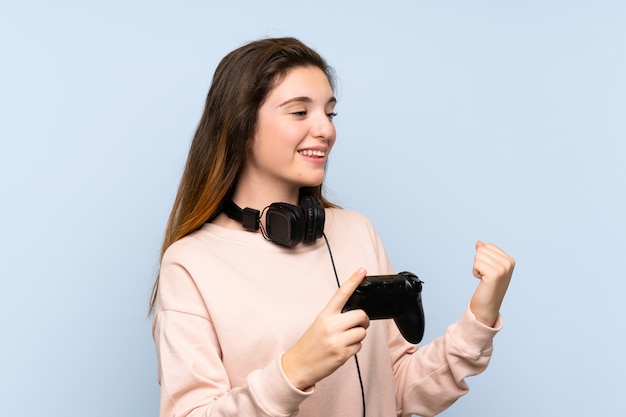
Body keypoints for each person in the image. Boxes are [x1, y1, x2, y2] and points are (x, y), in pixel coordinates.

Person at [149, 37, 515, 417]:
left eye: (330, 113)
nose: (325, 129)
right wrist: (296, 369)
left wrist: (480, 318)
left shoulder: (357, 232)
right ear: (241, 125)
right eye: (299, 112)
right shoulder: (191, 264)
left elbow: (398, 390)